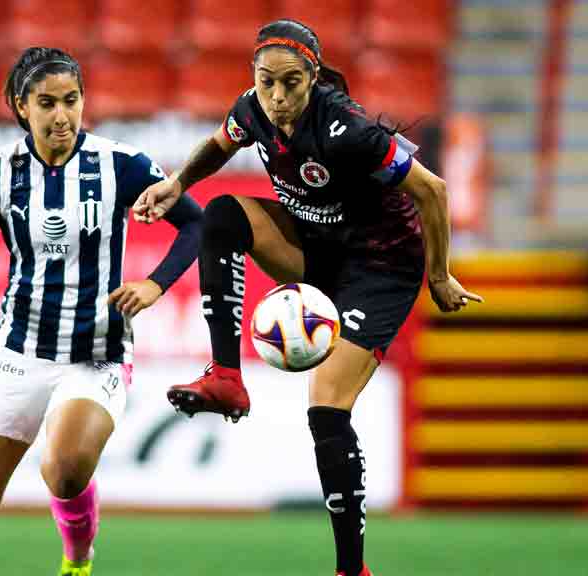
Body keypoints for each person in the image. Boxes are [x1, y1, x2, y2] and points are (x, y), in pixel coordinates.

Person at [132, 19, 483, 576]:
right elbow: (220, 144)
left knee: (325, 408)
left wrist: (439, 275)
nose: (276, 97)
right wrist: (178, 183)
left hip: (380, 269)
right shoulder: (253, 109)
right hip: (314, 248)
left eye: (290, 83)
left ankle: (351, 569)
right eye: (265, 81)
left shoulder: (347, 128)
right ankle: (226, 375)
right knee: (221, 214)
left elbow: (432, 190)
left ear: (313, 77)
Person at [0, 47, 202, 576]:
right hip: (18, 349)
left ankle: (78, 560)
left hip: (96, 349)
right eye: (47, 103)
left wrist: (153, 285)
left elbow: (197, 225)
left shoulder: (122, 164)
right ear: (20, 105)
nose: (62, 116)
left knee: (66, 467)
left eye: (72, 100)